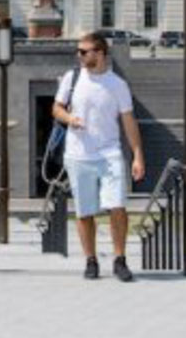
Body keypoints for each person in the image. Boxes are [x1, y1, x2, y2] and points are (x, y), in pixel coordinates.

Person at [52, 31, 146, 282]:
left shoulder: (117, 85)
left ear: (100, 53)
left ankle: (119, 259)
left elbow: (129, 121)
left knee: (117, 205)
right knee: (84, 211)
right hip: (78, 154)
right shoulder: (72, 79)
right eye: (79, 52)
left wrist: (137, 155)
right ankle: (90, 260)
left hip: (109, 153)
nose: (79, 56)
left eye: (84, 52)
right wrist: (69, 118)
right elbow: (56, 108)